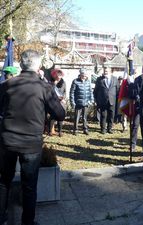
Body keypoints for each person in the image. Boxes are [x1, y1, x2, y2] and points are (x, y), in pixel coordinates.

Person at [0, 49, 65, 225]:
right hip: (31, 144)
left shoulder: (7, 85)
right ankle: (27, 222)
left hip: (7, 141)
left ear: (21, 65)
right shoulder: (45, 88)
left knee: (4, 181)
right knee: (29, 186)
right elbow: (60, 115)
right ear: (38, 67)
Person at [128, 63, 143, 151]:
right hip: (139, 107)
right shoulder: (138, 79)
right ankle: (133, 144)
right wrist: (131, 85)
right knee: (135, 125)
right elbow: (133, 93)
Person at [94, 67, 119, 134]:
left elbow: (117, 90)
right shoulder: (99, 79)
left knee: (111, 115)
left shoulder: (115, 79)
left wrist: (116, 100)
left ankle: (109, 128)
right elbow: (96, 91)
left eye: (107, 71)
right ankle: (103, 129)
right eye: (105, 71)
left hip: (112, 100)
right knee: (103, 115)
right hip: (103, 101)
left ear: (110, 72)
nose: (105, 72)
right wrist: (96, 100)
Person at [69, 68, 94, 135]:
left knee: (85, 117)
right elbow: (72, 92)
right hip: (78, 103)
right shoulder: (75, 81)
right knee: (77, 117)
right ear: (80, 75)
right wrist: (72, 102)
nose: (84, 76)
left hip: (86, 103)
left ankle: (85, 129)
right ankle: (75, 130)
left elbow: (90, 91)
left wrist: (91, 100)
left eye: (85, 75)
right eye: (83, 75)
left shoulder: (88, 81)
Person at [49, 69, 66, 137]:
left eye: (60, 75)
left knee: (60, 116)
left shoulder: (63, 82)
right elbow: (49, 91)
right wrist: (53, 84)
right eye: (58, 75)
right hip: (53, 101)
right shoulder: (51, 82)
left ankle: (60, 132)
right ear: (55, 75)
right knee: (52, 117)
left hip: (61, 101)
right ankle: (51, 131)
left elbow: (65, 91)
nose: (59, 76)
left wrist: (63, 98)